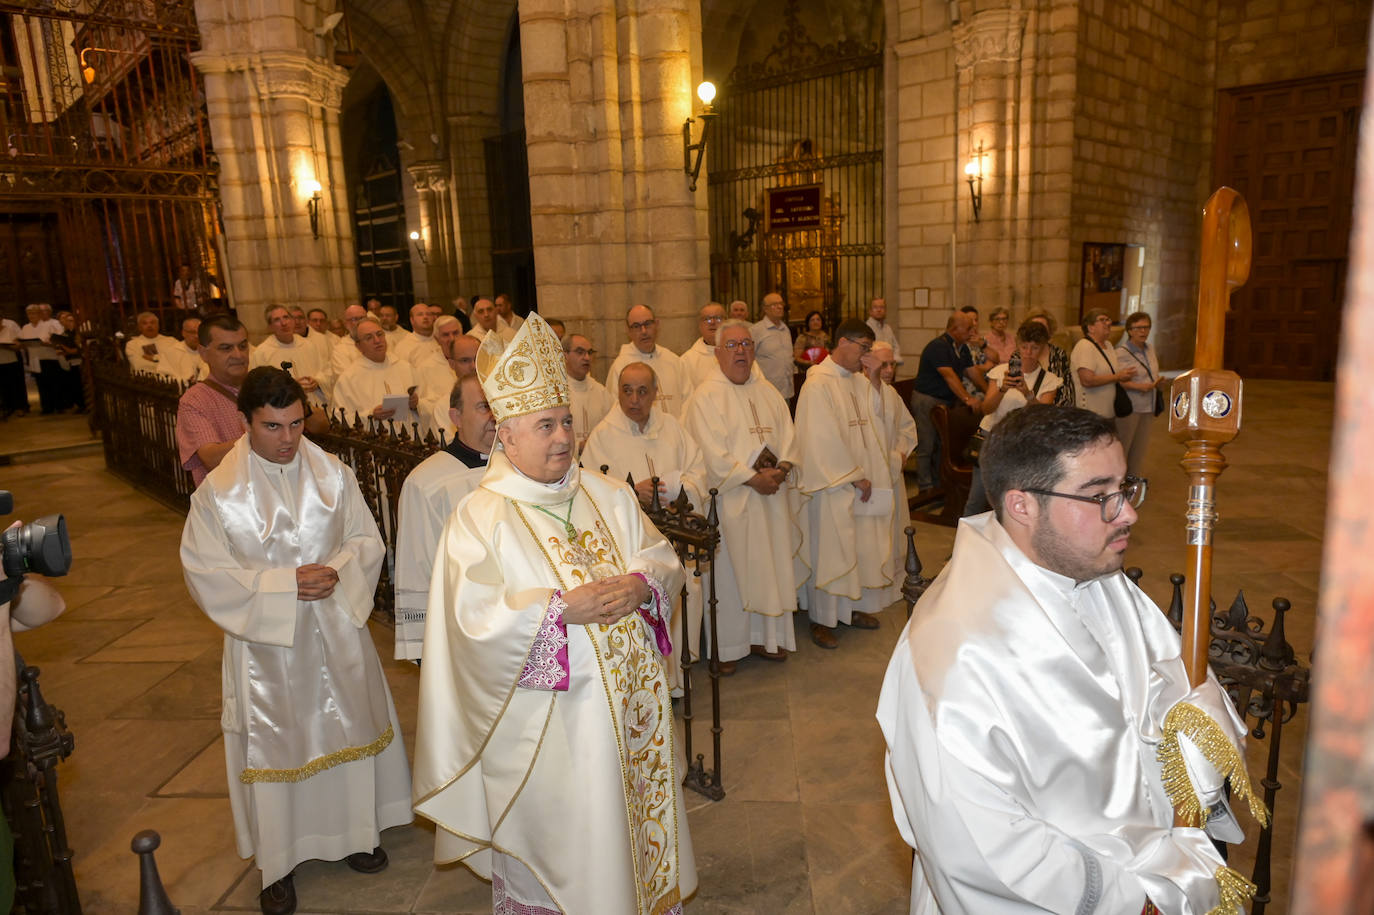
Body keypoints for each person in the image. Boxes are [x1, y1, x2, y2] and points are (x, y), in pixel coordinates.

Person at [877, 405, 1263, 915]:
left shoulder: (1093, 574)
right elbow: (980, 850)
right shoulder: (951, 655)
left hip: (1160, 858)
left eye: (1126, 488)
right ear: (1021, 506)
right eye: (1100, 495)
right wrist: (1139, 900)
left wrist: (1193, 736)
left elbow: (1168, 678)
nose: (1128, 513)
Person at [412, 312, 696, 914]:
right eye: (546, 425)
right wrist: (557, 612)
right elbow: (468, 624)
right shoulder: (479, 518)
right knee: (569, 852)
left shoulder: (609, 494)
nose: (564, 437)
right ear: (508, 436)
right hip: (550, 735)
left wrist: (642, 586)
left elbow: (661, 559)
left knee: (631, 846)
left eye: (566, 421)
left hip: (631, 720)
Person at [181, 367, 411, 914]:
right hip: (267, 646)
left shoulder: (333, 473)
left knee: (348, 724)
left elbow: (365, 538)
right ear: (245, 421)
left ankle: (357, 833)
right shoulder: (218, 494)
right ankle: (279, 862)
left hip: (336, 628)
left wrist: (339, 569)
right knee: (279, 743)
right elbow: (205, 572)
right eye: (272, 426)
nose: (287, 439)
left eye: (296, 424)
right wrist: (285, 586)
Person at [683, 320, 805, 669]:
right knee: (730, 577)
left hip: (771, 500)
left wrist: (782, 468)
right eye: (733, 345)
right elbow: (710, 453)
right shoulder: (705, 397)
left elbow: (789, 436)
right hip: (732, 502)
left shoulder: (768, 392)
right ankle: (729, 647)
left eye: (747, 344)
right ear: (718, 353)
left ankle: (767, 638)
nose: (741, 351)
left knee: (770, 567)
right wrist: (752, 479)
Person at [583, 362, 708, 694]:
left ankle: (679, 680)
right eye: (627, 391)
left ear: (655, 393)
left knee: (684, 597)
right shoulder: (603, 436)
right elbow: (591, 490)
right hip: (634, 548)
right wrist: (629, 492)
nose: (634, 399)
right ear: (618, 392)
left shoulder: (673, 428)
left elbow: (698, 471)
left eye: (642, 391)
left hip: (675, 536)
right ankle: (651, 686)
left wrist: (679, 489)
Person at [795, 319, 896, 649]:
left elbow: (878, 419)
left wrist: (875, 377)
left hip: (859, 482)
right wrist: (852, 475)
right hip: (832, 484)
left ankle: (851, 609)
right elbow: (820, 437)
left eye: (869, 348)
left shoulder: (858, 380)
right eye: (863, 348)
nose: (866, 355)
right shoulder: (818, 383)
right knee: (831, 551)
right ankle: (822, 619)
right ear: (842, 342)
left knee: (857, 548)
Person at [393, 372, 494, 661]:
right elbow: (416, 565)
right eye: (484, 407)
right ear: (456, 417)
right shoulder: (427, 481)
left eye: (499, 405)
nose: (494, 416)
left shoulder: (524, 470)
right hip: (458, 634)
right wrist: (423, 649)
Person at [962, 320, 1062, 516]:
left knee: (1011, 502)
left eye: (1034, 348)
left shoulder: (1049, 379)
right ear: (1018, 345)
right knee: (976, 498)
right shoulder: (1001, 372)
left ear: (1043, 348)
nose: (1028, 352)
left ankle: (1004, 536)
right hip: (991, 437)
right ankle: (965, 536)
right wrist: (1002, 389)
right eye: (1024, 346)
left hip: (1021, 443)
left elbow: (1044, 416)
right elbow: (986, 409)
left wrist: (1028, 393)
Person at [864, 341, 918, 605]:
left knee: (895, 529)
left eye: (892, 364)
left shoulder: (892, 394)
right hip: (870, 479)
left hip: (893, 474)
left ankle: (895, 581)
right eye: (883, 364)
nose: (888, 370)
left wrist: (901, 453)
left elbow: (907, 427)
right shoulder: (858, 393)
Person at [176, 315, 251, 485]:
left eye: (242, 346)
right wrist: (263, 437)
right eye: (226, 348)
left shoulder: (264, 385)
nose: (238, 355)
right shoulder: (195, 400)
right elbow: (211, 458)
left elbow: (314, 426)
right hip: (228, 495)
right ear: (204, 353)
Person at [909, 311, 977, 491]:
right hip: (927, 400)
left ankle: (939, 483)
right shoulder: (938, 346)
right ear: (954, 329)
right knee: (927, 443)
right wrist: (967, 398)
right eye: (968, 328)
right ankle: (925, 487)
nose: (972, 332)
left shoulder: (962, 348)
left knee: (942, 444)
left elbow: (972, 373)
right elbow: (949, 376)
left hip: (945, 402)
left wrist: (991, 393)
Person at [606, 304, 695, 418]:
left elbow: (688, 400)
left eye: (647, 324)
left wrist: (677, 426)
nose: (643, 331)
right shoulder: (621, 367)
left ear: (657, 324)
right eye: (636, 326)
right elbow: (615, 408)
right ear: (629, 331)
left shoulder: (673, 361)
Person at [332, 319, 421, 430]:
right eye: (369, 338)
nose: (377, 340)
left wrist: (416, 405)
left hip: (410, 436)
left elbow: (426, 403)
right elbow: (340, 419)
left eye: (379, 334)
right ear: (358, 346)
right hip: (375, 438)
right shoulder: (349, 378)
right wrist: (371, 415)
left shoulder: (405, 368)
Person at [1116, 311, 1168, 479]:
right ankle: (1117, 483)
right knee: (1124, 447)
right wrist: (1139, 387)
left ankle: (1133, 483)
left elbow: (1152, 373)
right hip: (1131, 406)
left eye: (1146, 327)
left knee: (1139, 449)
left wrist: (1157, 383)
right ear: (1129, 330)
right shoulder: (1121, 353)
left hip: (1148, 406)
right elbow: (1119, 380)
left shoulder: (1150, 348)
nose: (1143, 331)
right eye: (1138, 328)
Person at [251, 304, 332, 410]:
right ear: (270, 327)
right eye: (277, 320)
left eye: (286, 317)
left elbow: (326, 370)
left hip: (316, 405)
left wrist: (318, 381)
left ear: (292, 321)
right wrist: (290, 387)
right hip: (284, 409)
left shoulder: (309, 345)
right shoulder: (262, 353)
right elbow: (259, 388)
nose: (284, 323)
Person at [1072, 308, 1137, 419]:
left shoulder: (1109, 345)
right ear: (1090, 327)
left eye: (1108, 320)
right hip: (1090, 415)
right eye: (1102, 320)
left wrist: (1123, 376)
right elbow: (1087, 380)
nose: (1108, 323)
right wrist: (1118, 376)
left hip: (1108, 413)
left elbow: (1110, 375)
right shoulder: (1085, 346)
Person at [564, 332, 614, 455]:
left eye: (589, 352)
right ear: (565, 356)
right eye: (580, 352)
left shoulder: (601, 392)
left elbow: (613, 427)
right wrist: (578, 447)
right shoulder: (557, 392)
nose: (586, 357)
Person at [1024, 308, 1076, 407]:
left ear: (1049, 331)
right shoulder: (1018, 355)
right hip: (1025, 408)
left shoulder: (1059, 354)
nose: (1038, 331)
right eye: (1034, 327)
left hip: (1055, 409)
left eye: (1042, 327)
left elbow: (1066, 388)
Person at [750, 292, 794, 399]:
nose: (780, 307)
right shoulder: (756, 330)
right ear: (765, 309)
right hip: (766, 391)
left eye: (781, 304)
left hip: (786, 389)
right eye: (774, 304)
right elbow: (749, 358)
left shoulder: (785, 329)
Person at [123, 311, 183, 380]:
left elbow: (181, 360)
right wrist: (167, 364)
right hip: (147, 381)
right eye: (144, 323)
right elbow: (139, 366)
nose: (149, 326)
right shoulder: (132, 344)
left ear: (158, 326)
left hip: (174, 379)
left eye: (152, 323)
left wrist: (154, 358)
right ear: (139, 327)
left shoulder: (171, 341)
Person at [681, 302, 727, 387]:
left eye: (718, 318)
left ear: (726, 322)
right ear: (700, 326)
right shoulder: (687, 361)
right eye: (707, 319)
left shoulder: (739, 352)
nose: (712, 322)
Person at [329, 304, 370, 377]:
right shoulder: (340, 349)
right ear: (346, 324)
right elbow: (345, 377)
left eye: (362, 318)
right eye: (355, 319)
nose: (360, 322)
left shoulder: (378, 340)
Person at [0, 313, 26, 418]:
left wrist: (7, 346)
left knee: (15, 386)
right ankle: (6, 408)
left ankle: (19, 408)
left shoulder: (9, 329)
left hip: (11, 361)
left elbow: (19, 346)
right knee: (3, 388)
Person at [866, 297, 901, 365]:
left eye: (882, 307)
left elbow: (896, 347)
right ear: (870, 311)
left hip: (889, 366)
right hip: (874, 367)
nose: (879, 310)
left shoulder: (888, 328)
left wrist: (894, 360)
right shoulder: (866, 328)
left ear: (885, 310)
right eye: (875, 307)